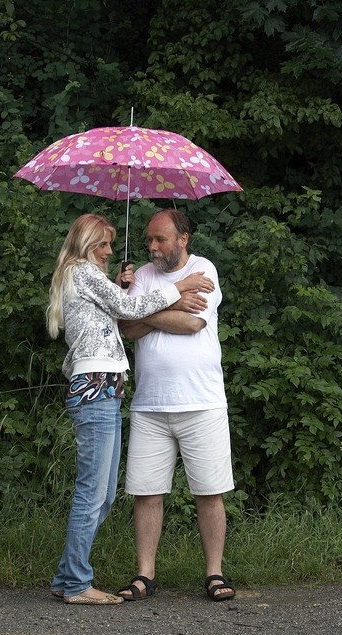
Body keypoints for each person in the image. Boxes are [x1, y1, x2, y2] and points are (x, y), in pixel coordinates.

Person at [46, 213, 214, 605]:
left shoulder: (88, 276)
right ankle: (75, 584)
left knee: (103, 494)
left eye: (108, 244)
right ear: (86, 245)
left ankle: (66, 576)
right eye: (102, 244)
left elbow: (121, 310)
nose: (108, 251)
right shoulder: (81, 270)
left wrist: (119, 289)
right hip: (95, 387)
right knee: (92, 493)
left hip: (106, 389)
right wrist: (180, 287)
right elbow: (130, 310)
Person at [117, 209, 236, 602]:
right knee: (146, 492)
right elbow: (127, 327)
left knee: (209, 490)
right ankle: (145, 575)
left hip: (201, 401)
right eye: (149, 239)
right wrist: (169, 302)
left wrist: (146, 310)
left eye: (161, 240)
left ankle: (214, 574)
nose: (152, 247)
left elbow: (193, 323)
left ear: (183, 238)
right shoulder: (141, 276)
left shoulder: (204, 269)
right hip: (150, 404)